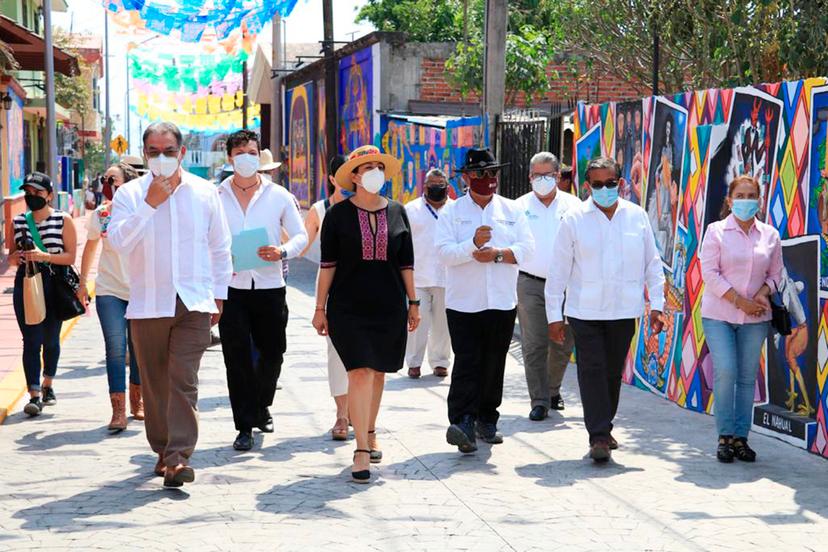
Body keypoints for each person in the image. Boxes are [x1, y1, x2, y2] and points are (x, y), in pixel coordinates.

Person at [107, 122, 233, 488]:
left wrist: (219, 294)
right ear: (145, 154)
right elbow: (118, 242)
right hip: (147, 303)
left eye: (168, 150)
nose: (161, 158)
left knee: (183, 380)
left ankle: (179, 457)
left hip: (193, 301)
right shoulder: (130, 195)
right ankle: (162, 451)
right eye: (153, 151)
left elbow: (219, 247)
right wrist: (150, 205)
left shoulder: (205, 192)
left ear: (181, 152)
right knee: (155, 383)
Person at [546, 156, 665, 463]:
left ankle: (604, 425)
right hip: (584, 311)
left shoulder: (637, 217)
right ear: (587, 186)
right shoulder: (573, 220)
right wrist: (554, 317)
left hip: (624, 311)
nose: (603, 189)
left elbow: (652, 264)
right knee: (592, 370)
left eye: (609, 184)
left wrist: (658, 306)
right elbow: (558, 271)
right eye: (597, 184)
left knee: (612, 372)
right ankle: (598, 434)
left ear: (621, 184)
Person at [312, 145, 418, 483]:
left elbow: (406, 263)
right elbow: (327, 265)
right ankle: (360, 450)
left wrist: (413, 303)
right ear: (354, 176)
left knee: (378, 373)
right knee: (359, 371)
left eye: (378, 166)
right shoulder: (338, 214)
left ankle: (370, 431)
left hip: (389, 305)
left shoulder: (399, 212)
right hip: (348, 307)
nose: (374, 172)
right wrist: (319, 308)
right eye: (366, 167)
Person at [436, 148, 534, 454]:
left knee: (494, 361)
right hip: (464, 303)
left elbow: (528, 250)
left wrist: (498, 255)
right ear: (466, 177)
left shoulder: (512, 210)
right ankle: (462, 420)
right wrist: (472, 245)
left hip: (502, 301)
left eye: (492, 173)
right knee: (467, 361)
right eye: (480, 174)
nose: (487, 179)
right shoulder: (451, 212)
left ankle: (487, 419)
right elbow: (443, 253)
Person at [216, 129, 308, 451]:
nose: (246, 157)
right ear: (230, 157)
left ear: (259, 155)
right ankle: (244, 426)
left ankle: (262, 404)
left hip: (270, 286)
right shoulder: (216, 197)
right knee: (236, 357)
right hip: (232, 287)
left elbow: (301, 236)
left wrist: (281, 251)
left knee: (273, 352)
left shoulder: (279, 196)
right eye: (239, 151)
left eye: (251, 151)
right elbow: (204, 240)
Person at [700, 175, 782, 463]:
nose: (746, 201)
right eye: (741, 195)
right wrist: (739, 302)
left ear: (759, 200)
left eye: (752, 196)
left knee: (747, 379)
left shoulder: (770, 235)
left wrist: (761, 293)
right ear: (729, 200)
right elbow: (709, 273)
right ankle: (724, 436)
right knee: (726, 371)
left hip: (756, 318)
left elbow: (776, 275)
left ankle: (740, 438)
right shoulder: (716, 231)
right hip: (719, 315)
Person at [515, 152, 582, 421]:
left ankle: (552, 389)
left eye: (548, 175)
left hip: (566, 285)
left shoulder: (574, 206)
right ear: (530, 177)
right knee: (534, 344)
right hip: (530, 282)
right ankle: (540, 400)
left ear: (558, 176)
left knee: (563, 343)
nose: (542, 180)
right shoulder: (518, 207)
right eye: (537, 175)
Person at [78, 161, 144, 431]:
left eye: (114, 180)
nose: (109, 184)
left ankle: (137, 403)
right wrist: (83, 283)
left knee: (140, 350)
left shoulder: (144, 212)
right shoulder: (102, 215)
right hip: (109, 290)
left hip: (141, 291)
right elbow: (91, 248)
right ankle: (117, 411)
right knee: (115, 350)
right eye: (106, 179)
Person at [10, 172, 78, 417]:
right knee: (31, 340)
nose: (32, 196)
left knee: (50, 339)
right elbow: (10, 254)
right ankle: (34, 394)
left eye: (37, 192)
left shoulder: (63, 219)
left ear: (49, 195)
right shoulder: (18, 221)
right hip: (26, 283)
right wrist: (17, 257)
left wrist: (44, 256)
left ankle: (48, 382)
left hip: (53, 283)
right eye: (28, 192)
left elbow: (70, 257)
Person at [301, 154, 352, 441]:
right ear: (332, 178)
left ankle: (361, 413)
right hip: (332, 286)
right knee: (337, 353)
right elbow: (302, 241)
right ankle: (342, 415)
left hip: (366, 286)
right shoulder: (320, 211)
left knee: (365, 353)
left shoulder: (370, 206)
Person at [404, 168, 453, 379]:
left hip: (447, 276)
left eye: (441, 185)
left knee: (443, 324)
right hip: (418, 277)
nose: (437, 189)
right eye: (433, 185)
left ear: (447, 187)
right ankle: (414, 362)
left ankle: (440, 362)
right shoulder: (411, 210)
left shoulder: (455, 210)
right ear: (425, 186)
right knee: (417, 323)